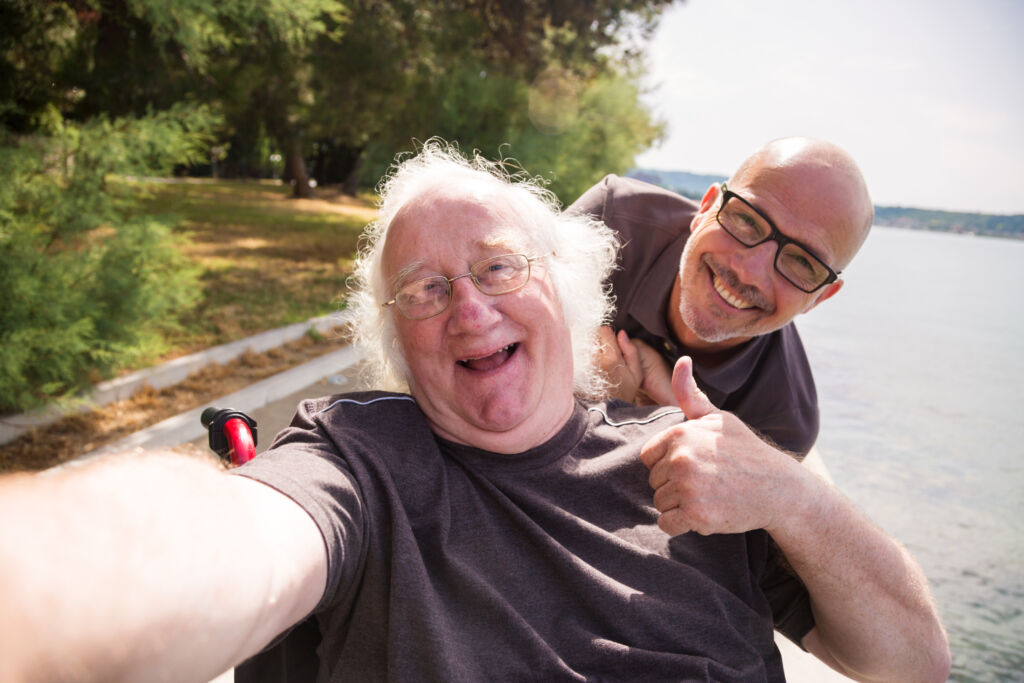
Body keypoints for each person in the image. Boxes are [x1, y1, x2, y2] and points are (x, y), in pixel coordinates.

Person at [0, 141, 950, 682]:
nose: (470, 309)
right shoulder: (359, 458)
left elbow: (913, 664)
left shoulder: (752, 443)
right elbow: (231, 542)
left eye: (499, 268)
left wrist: (785, 491)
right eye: (424, 288)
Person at [568, 138, 874, 457]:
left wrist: (654, 417)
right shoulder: (609, 221)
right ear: (706, 207)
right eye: (747, 220)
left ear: (820, 297)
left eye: (801, 262)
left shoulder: (781, 425)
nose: (750, 272)